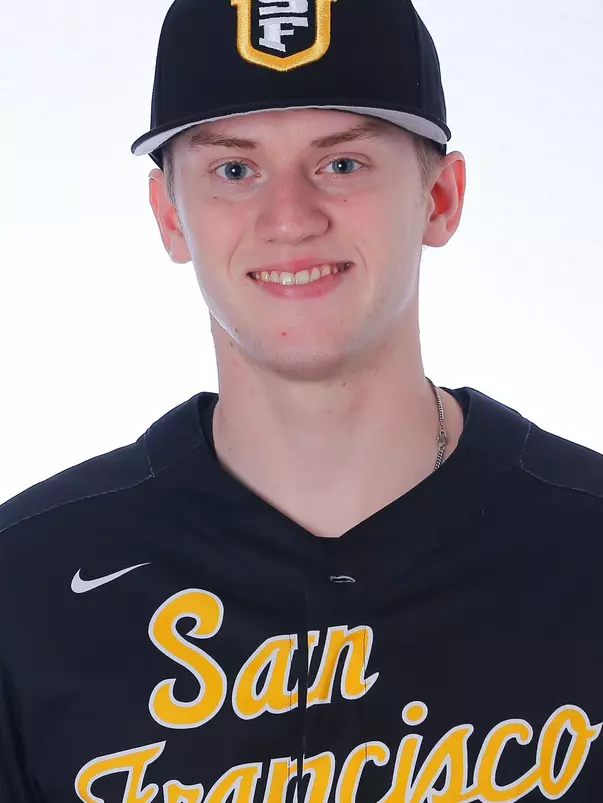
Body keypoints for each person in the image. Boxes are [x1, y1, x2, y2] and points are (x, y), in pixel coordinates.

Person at [1, 0, 602, 800]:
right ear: (168, 216)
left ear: (440, 198)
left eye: (341, 164)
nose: (289, 218)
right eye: (234, 170)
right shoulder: (27, 587)